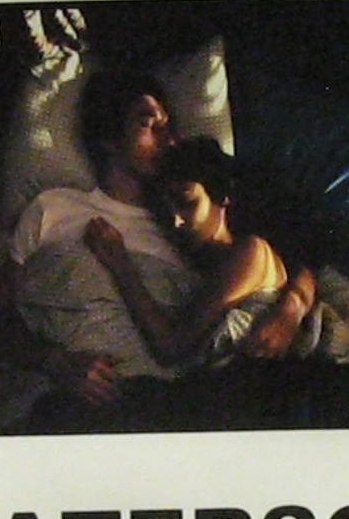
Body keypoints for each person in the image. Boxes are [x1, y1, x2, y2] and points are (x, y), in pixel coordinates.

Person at [0, 68, 195, 409]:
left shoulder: (187, 226)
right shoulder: (53, 208)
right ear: (109, 138)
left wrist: (288, 303)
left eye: (169, 127)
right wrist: (56, 362)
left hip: (164, 402)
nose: (167, 139)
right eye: (147, 123)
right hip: (68, 405)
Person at [81, 136, 318, 370]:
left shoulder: (251, 253)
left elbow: (170, 346)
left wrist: (121, 265)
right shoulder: (200, 269)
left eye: (187, 202)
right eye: (166, 209)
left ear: (221, 198)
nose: (175, 220)